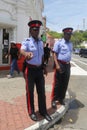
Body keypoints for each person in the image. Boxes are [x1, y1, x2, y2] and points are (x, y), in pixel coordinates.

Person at [20, 20, 52, 122]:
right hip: (30, 70)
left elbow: (42, 56)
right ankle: (31, 112)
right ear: (30, 31)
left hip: (39, 70)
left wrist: (44, 67)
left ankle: (43, 111)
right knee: (30, 92)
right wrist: (26, 54)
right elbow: (22, 50)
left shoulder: (40, 42)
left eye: (38, 29)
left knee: (42, 92)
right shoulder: (27, 41)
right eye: (34, 30)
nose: (36, 31)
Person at [51, 27, 73, 108]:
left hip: (67, 65)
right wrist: (57, 65)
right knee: (57, 83)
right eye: (68, 34)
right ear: (64, 34)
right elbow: (54, 54)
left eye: (70, 34)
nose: (69, 36)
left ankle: (61, 99)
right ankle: (54, 100)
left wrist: (69, 63)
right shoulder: (59, 43)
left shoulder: (70, 43)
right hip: (60, 64)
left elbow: (69, 54)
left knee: (65, 83)